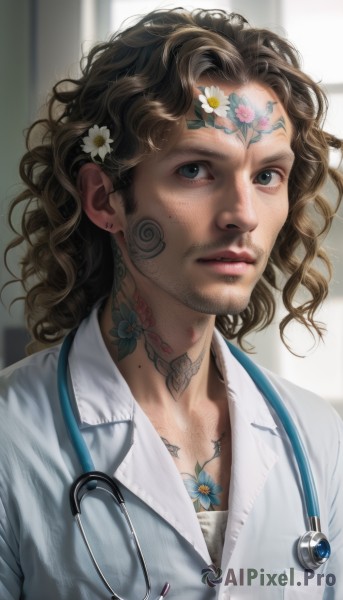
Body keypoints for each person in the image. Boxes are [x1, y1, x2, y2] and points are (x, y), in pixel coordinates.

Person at [1, 7, 343, 600]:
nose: (242, 214)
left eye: (267, 176)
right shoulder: (11, 437)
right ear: (105, 198)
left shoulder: (318, 438)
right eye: (195, 169)